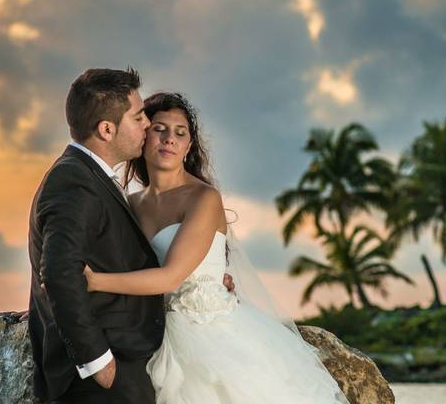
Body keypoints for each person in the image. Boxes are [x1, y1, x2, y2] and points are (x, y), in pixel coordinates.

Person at [83, 91, 348, 403]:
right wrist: (57, 299)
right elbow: (106, 261)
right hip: (150, 330)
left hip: (209, 334)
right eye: (159, 129)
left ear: (188, 146)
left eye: (180, 133)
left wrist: (94, 282)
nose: (170, 139)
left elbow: (171, 278)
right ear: (142, 135)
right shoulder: (129, 204)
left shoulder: (203, 198)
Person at [27, 68, 233, 403]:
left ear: (189, 144)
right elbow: (59, 270)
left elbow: (101, 265)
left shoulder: (99, 183)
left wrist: (210, 282)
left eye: (179, 133)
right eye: (143, 121)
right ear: (107, 129)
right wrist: (98, 360)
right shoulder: (89, 186)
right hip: (122, 360)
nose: (150, 129)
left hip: (195, 340)